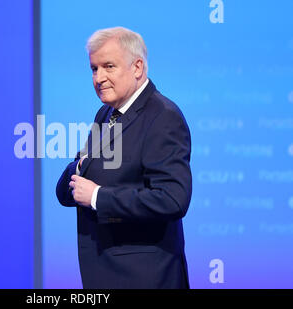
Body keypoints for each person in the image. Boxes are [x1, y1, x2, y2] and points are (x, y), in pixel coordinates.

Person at [56, 27, 192, 289]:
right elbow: (67, 190)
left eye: (108, 66)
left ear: (137, 67)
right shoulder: (105, 114)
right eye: (94, 69)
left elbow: (173, 199)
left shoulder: (163, 117)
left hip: (145, 279)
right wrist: (79, 166)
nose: (99, 78)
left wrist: (98, 197)